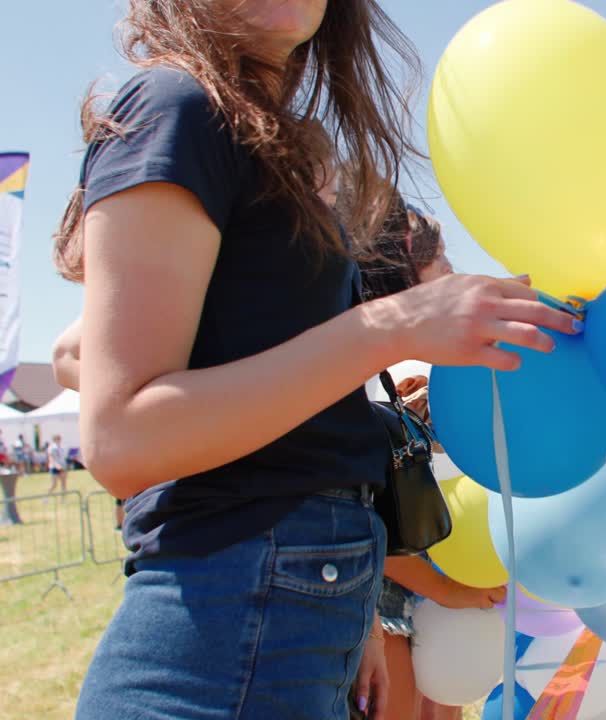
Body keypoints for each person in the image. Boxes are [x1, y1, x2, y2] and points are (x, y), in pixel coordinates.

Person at [53, 3, 578, 719]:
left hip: (299, 604)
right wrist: (391, 325)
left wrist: (353, 601)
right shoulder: (176, 105)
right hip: (223, 624)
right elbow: (122, 436)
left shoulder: (261, 136)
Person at [354, 198, 504, 720]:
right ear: (407, 267)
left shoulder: (441, 372)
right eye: (442, 262)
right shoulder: (367, 379)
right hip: (386, 603)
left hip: (444, 593)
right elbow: (365, 525)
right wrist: (446, 589)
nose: (454, 274)